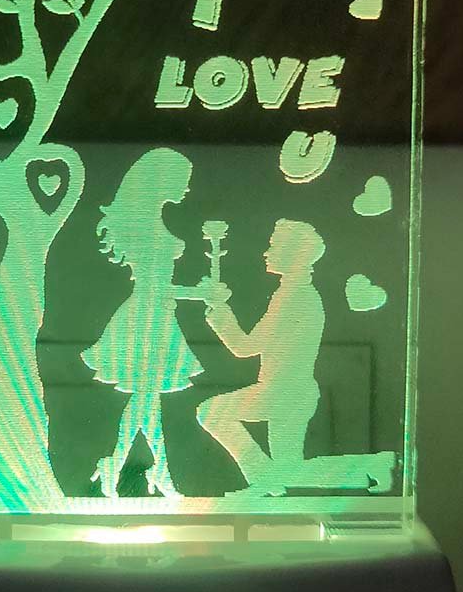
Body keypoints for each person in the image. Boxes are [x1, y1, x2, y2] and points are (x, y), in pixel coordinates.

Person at [82, 148, 207, 498]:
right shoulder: (146, 228)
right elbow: (155, 287)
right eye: (183, 180)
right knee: (146, 401)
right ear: (161, 180)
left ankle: (123, 464)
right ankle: (155, 471)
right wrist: (200, 293)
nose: (187, 188)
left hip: (155, 318)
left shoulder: (148, 223)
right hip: (146, 321)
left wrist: (198, 293)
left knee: (145, 402)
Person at [197, 219, 326, 492]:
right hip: (296, 394)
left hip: (282, 394)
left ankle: (264, 477)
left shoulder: (293, 298)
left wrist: (219, 312)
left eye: (274, 246)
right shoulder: (300, 294)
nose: (267, 253)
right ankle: (269, 481)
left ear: (294, 254)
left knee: (210, 413)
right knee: (290, 472)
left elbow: (244, 347)